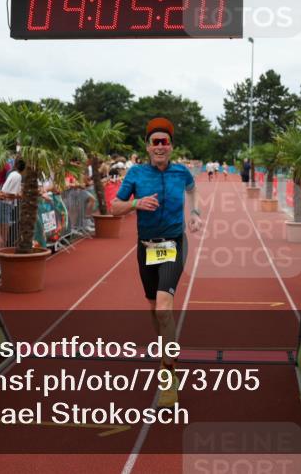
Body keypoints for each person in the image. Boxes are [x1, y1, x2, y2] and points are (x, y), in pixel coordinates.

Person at [110, 117, 202, 407]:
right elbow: (114, 208)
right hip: (146, 248)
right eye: (155, 142)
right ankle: (166, 344)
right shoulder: (135, 174)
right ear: (148, 147)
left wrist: (196, 212)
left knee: (164, 306)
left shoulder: (180, 173)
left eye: (165, 142)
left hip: (174, 244)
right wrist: (136, 203)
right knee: (154, 306)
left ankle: (168, 373)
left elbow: (192, 189)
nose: (160, 147)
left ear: (171, 146)